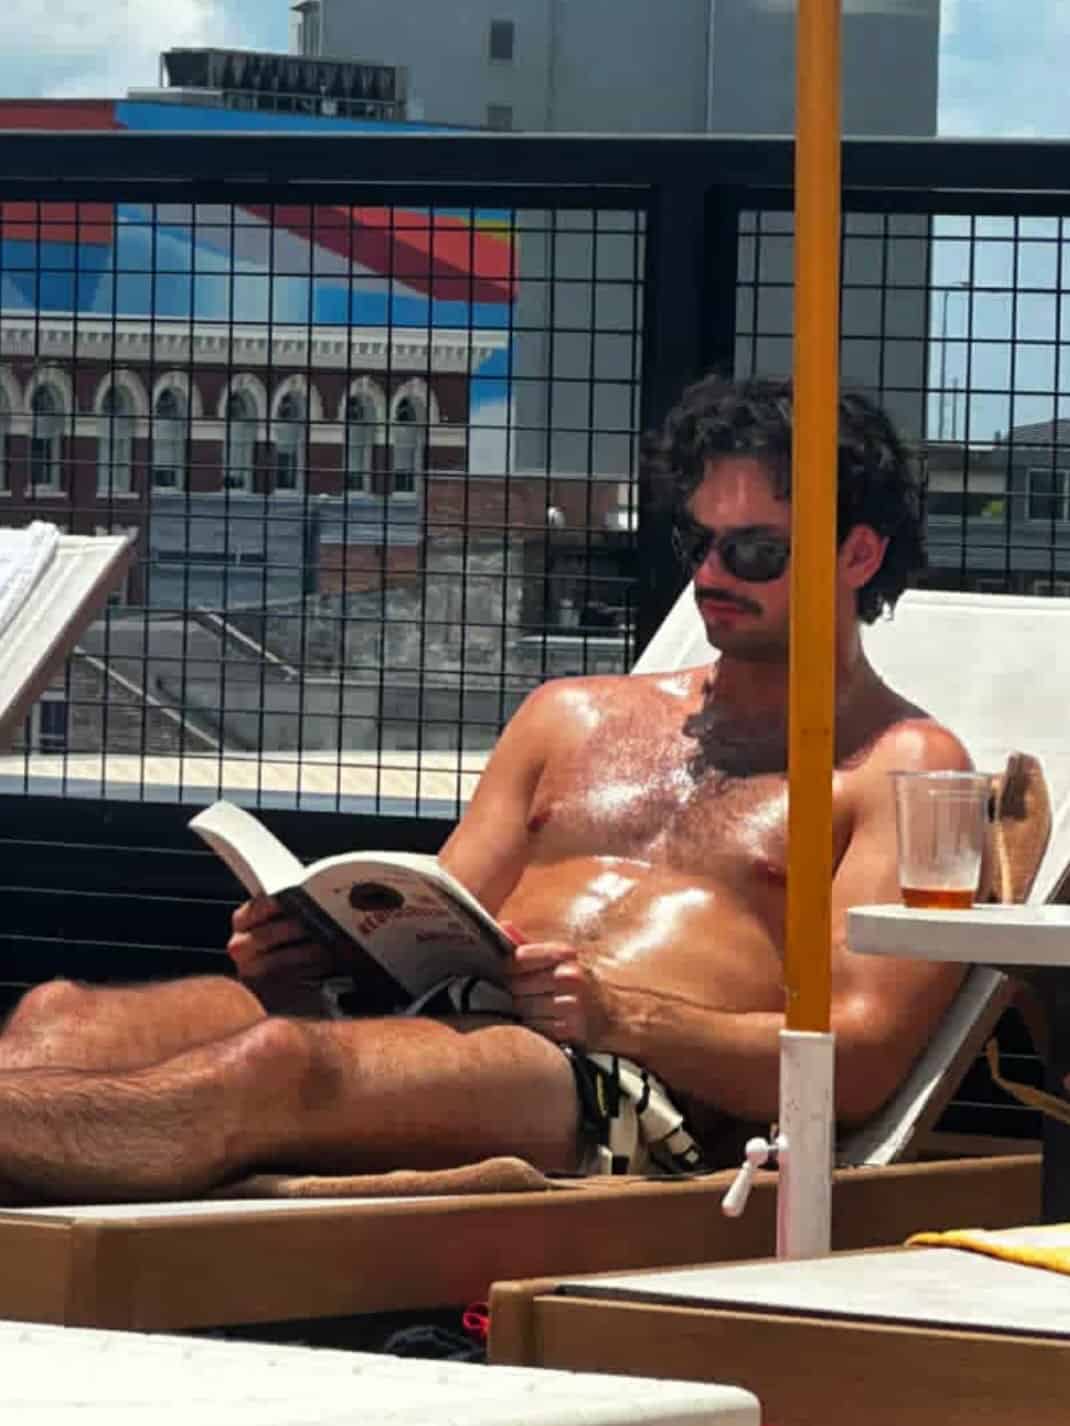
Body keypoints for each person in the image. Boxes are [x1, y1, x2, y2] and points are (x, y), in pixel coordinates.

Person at [0, 375, 970, 1204]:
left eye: (754, 550)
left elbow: (864, 1054)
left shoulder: (900, 765)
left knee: (274, 1068)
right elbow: (424, 930)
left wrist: (621, 1016)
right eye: (696, 542)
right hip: (446, 1029)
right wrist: (309, 958)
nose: (711, 573)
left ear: (857, 553)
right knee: (59, 1015)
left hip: (625, 1091)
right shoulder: (568, 714)